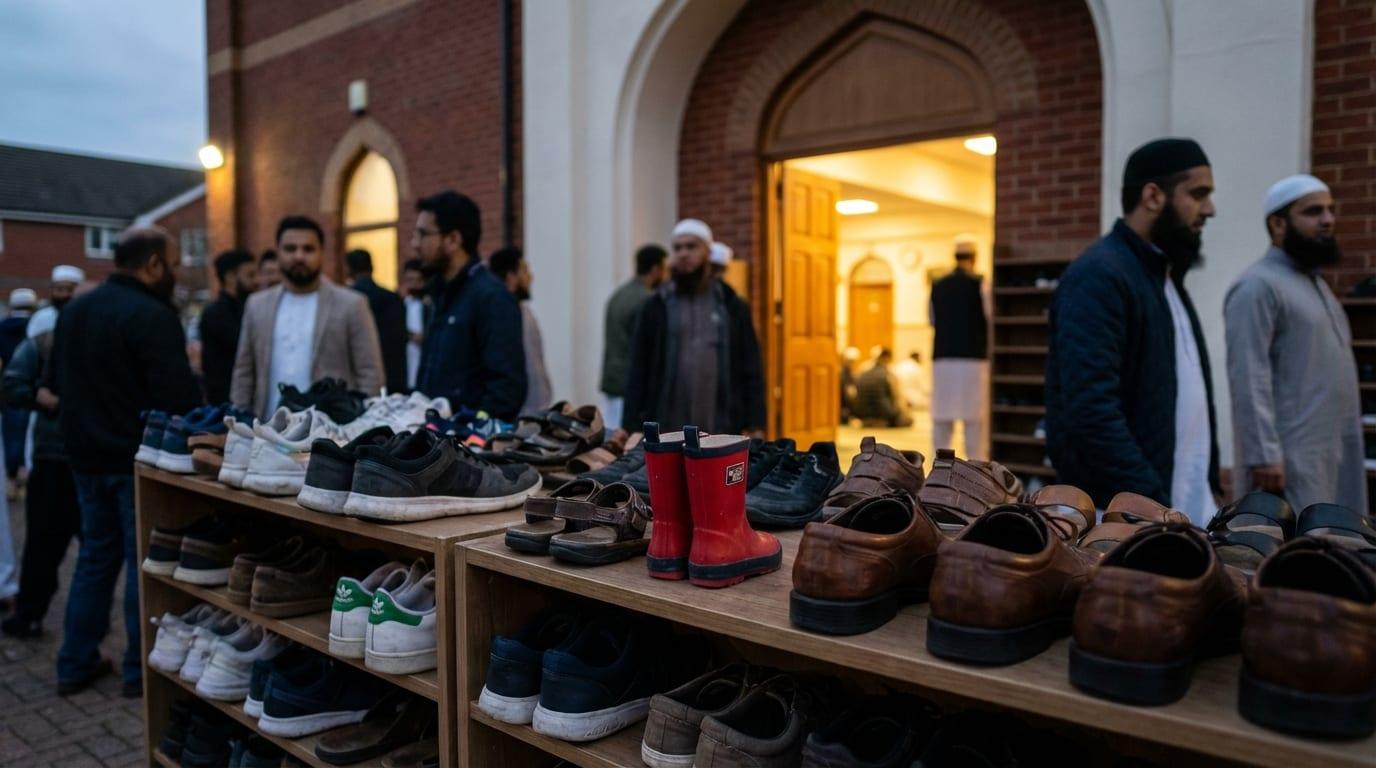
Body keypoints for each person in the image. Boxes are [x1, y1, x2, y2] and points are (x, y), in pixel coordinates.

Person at [50, 226, 202, 697]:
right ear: (153, 264)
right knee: (144, 564)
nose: (177, 274)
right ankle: (141, 670)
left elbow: (57, 381)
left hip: (85, 458)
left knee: (95, 557)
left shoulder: (74, 310)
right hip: (136, 460)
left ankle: (75, 661)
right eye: (174, 265)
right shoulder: (153, 315)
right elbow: (178, 399)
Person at [1046, 137, 1220, 521]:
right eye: (1198, 193)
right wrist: (1151, 503)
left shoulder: (1162, 275)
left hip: (1171, 510)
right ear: (1153, 196)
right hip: (1128, 519)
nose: (1210, 209)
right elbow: (1091, 412)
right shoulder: (1100, 276)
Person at [1225, 174, 1366, 512]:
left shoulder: (1315, 285)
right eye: (1314, 211)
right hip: (1287, 463)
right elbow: (1248, 373)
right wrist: (1263, 456)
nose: (1328, 220)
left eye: (1330, 210)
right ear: (1278, 223)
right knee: (1293, 555)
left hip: (1332, 453)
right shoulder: (1257, 286)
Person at [231, 217, 384, 419]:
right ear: (278, 252)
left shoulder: (351, 304)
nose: (299, 256)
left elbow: (370, 373)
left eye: (308, 249)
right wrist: (240, 418)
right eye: (290, 249)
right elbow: (244, 371)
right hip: (267, 430)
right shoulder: (257, 305)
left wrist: (363, 425)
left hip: (332, 435)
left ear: (321, 252)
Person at [623, 219, 765, 434]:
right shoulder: (656, 306)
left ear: (707, 252)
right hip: (667, 424)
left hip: (720, 423)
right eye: (678, 248)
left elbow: (750, 365)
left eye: (691, 247)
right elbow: (638, 367)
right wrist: (630, 424)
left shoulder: (731, 305)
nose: (683, 254)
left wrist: (755, 422)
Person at [1, 291, 81, 639]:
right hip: (53, 455)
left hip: (92, 456)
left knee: (98, 552)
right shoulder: (45, 333)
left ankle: (85, 624)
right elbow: (14, 384)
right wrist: (41, 396)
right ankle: (31, 614)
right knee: (44, 542)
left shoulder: (100, 333)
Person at [412, 191, 526, 420]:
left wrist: (470, 432)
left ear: (453, 239)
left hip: (462, 449)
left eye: (423, 234)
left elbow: (506, 390)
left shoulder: (491, 297)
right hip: (430, 443)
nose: (414, 244)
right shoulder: (443, 294)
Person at [930, 242, 989, 459]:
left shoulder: (937, 284)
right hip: (973, 361)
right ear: (974, 258)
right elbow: (989, 318)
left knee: (941, 421)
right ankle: (976, 472)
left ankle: (938, 470)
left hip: (942, 360)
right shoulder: (981, 283)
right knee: (974, 424)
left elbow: (932, 319)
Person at [600, 245, 665, 431]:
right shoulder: (646, 300)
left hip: (613, 381)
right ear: (655, 270)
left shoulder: (620, 294)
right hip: (628, 385)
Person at [489, 247, 552, 413]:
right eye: (524, 271)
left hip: (534, 408)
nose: (530, 277)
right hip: (521, 412)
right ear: (511, 277)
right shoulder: (505, 315)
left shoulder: (523, 311)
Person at [345, 249, 409, 395]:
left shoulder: (347, 302)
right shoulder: (392, 298)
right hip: (393, 378)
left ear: (349, 268)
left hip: (358, 383)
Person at [198, 249, 257, 405]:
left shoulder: (246, 308)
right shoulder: (217, 314)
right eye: (250, 275)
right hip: (227, 402)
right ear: (230, 277)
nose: (256, 281)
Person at [852, 349, 913, 427]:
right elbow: (896, 396)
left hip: (861, 412)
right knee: (908, 419)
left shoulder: (864, 372)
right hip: (883, 412)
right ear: (887, 359)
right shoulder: (888, 374)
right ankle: (880, 422)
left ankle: (869, 421)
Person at [27, 265, 85, 339]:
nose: (65, 294)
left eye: (70, 290)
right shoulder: (41, 318)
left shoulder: (88, 318)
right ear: (52, 290)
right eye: (59, 289)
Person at [400, 259, 429, 390]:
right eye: (409, 280)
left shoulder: (430, 305)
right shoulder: (400, 305)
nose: (414, 285)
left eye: (417, 280)